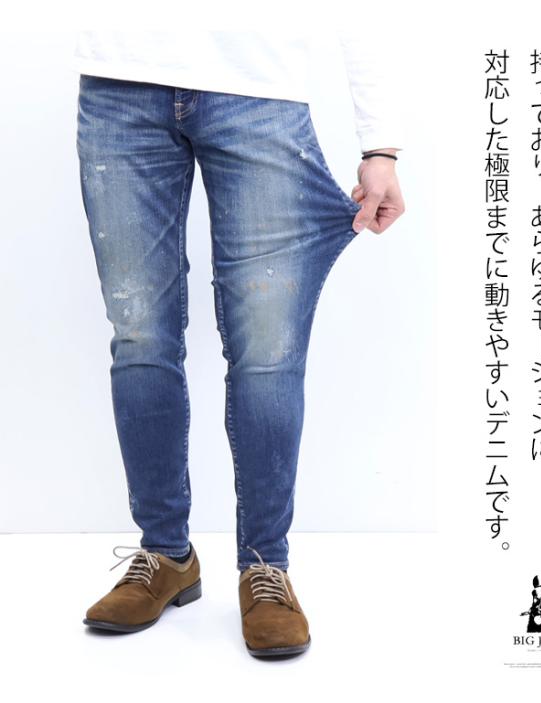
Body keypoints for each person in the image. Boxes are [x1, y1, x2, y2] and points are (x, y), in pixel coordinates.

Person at [73, 29, 405, 657]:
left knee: (268, 352)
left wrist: (380, 145)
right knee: (139, 337)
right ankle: (165, 555)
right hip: (119, 84)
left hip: (259, 88)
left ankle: (265, 567)